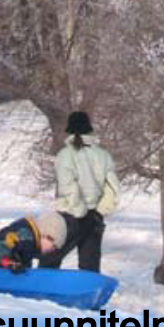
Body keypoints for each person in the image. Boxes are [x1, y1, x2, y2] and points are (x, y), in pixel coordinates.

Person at [39, 110, 120, 273]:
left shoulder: (65, 155)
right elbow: (112, 188)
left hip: (70, 216)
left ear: (69, 131)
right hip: (94, 217)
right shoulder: (103, 155)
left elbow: (68, 186)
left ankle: (42, 292)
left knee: (50, 260)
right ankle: (87, 294)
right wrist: (98, 212)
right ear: (89, 130)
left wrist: (79, 210)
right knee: (90, 265)